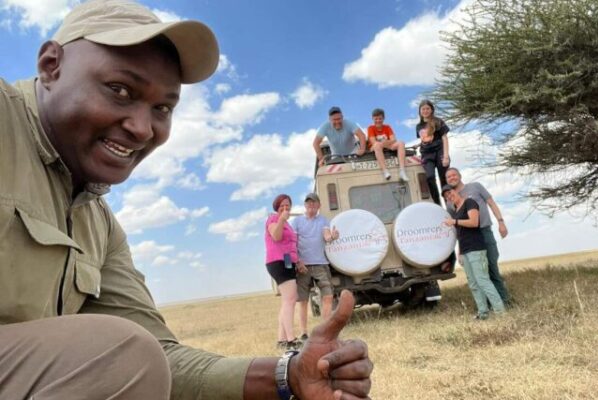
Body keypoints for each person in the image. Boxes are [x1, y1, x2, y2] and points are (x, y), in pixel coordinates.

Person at [0, 1, 373, 399]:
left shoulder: (98, 224)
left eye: (162, 108)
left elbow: (159, 357)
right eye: (120, 90)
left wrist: (290, 374)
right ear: (50, 65)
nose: (143, 128)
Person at [445, 167, 511, 305]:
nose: (452, 178)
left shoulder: (475, 187)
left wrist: (501, 222)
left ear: (460, 175)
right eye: (448, 177)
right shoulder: (450, 200)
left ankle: (505, 301)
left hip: (484, 231)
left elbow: (491, 203)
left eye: (454, 175)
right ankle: (488, 305)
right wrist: (459, 249)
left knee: (492, 267)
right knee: (479, 274)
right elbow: (456, 227)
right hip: (469, 239)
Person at [442, 185, 505, 320]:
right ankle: (483, 313)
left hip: (476, 248)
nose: (449, 196)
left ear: (456, 191)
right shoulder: (456, 210)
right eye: (446, 196)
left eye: (450, 192)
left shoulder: (470, 202)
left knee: (483, 281)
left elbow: (474, 222)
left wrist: (454, 221)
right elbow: (460, 233)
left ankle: (500, 312)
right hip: (465, 250)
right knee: (473, 284)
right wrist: (459, 252)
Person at [291, 193, 338, 341]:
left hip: (321, 264)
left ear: (319, 206)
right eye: (308, 203)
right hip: (303, 265)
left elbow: (326, 235)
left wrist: (332, 237)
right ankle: (304, 332)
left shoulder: (323, 220)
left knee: (328, 295)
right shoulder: (297, 221)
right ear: (305, 205)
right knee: (303, 300)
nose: (311, 206)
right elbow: (293, 243)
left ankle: (325, 330)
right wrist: (298, 261)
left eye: (314, 203)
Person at [265, 194, 301, 350]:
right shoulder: (273, 219)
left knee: (287, 301)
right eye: (282, 206)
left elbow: (291, 246)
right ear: (276, 208)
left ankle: (281, 340)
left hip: (287, 262)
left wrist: (298, 261)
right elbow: (276, 236)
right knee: (290, 300)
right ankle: (291, 340)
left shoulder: (289, 225)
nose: (285, 208)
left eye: (288, 205)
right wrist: (281, 219)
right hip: (278, 262)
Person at [416, 99, 451, 205]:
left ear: (431, 110)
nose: (425, 111)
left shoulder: (438, 121)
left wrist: (445, 156)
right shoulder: (418, 126)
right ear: (420, 111)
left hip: (439, 151)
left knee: (444, 178)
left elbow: (444, 138)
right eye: (423, 109)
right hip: (427, 154)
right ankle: (437, 204)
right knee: (430, 177)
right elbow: (423, 139)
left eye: (427, 109)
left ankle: (449, 204)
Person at [367, 108, 409, 181]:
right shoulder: (371, 128)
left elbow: (394, 139)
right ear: (372, 119)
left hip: (386, 145)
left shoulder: (387, 127)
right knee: (377, 145)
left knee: (401, 143)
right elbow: (373, 142)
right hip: (375, 147)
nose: (378, 121)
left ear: (383, 118)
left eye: (380, 118)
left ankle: (402, 171)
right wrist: (386, 142)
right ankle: (385, 171)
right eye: (376, 119)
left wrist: (385, 143)